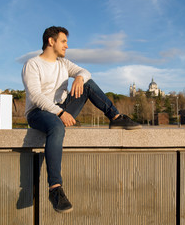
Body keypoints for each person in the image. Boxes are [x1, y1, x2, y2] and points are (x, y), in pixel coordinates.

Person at [21, 26, 141, 213]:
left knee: (87, 83)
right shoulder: (33, 64)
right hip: (38, 112)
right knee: (56, 127)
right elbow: (36, 96)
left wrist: (78, 78)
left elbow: (86, 72)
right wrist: (60, 114)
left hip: (61, 109)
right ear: (51, 41)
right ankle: (55, 189)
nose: (67, 46)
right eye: (63, 41)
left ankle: (115, 117)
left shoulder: (63, 63)